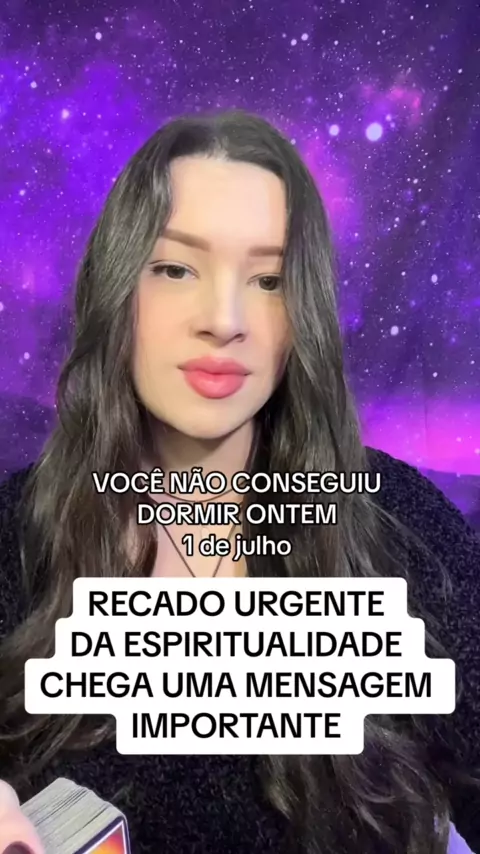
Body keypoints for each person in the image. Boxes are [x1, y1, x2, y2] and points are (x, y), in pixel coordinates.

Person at [0, 108, 479, 854]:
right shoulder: (14, 533)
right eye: (175, 268)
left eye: (268, 279)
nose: (224, 320)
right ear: (117, 287)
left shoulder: (396, 521)